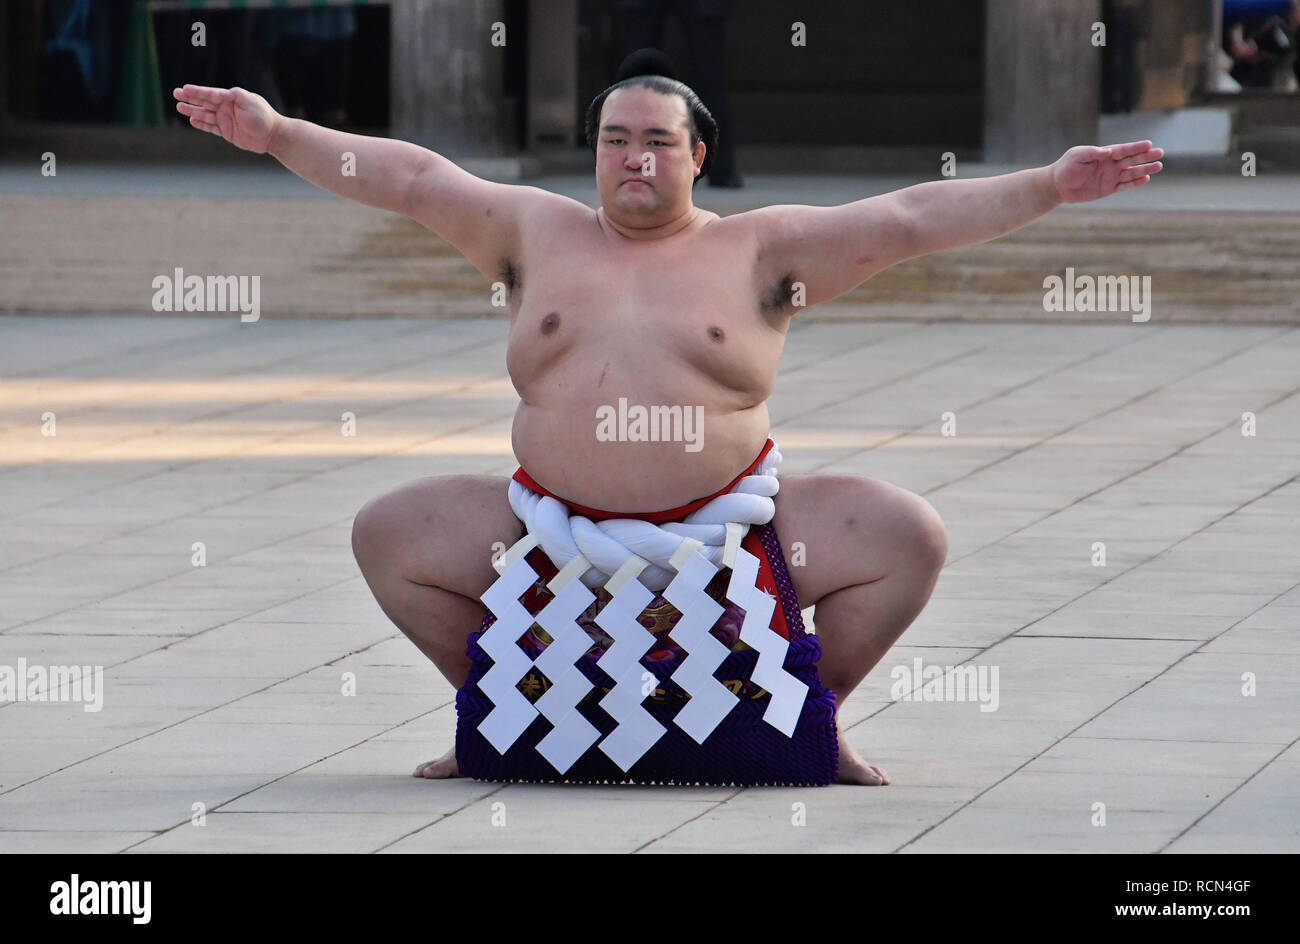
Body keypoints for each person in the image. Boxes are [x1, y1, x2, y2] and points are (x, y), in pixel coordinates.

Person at [172, 52, 1162, 786]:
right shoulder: (530, 230)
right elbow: (415, 178)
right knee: (387, 531)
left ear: (698, 156)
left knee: (908, 533)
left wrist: (1048, 186)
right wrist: (277, 133)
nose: (631, 157)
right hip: (545, 535)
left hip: (734, 536)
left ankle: (815, 718)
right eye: (613, 138)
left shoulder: (762, 249)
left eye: (655, 140)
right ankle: (492, 710)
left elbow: (905, 219)